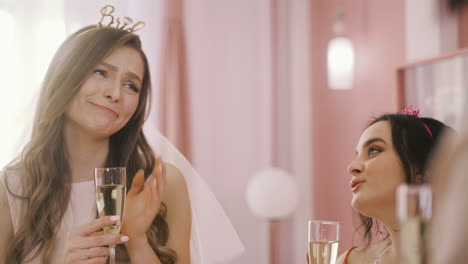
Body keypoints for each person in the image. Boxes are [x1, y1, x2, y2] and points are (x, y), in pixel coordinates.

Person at [0, 9, 244, 263]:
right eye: (100, 72)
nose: (115, 93)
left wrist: (137, 239)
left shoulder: (163, 184)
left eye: (131, 85)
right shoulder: (12, 189)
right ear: (64, 76)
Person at [337, 106, 452, 264]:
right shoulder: (349, 261)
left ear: (422, 170)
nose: (352, 167)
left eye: (374, 150)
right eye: (357, 154)